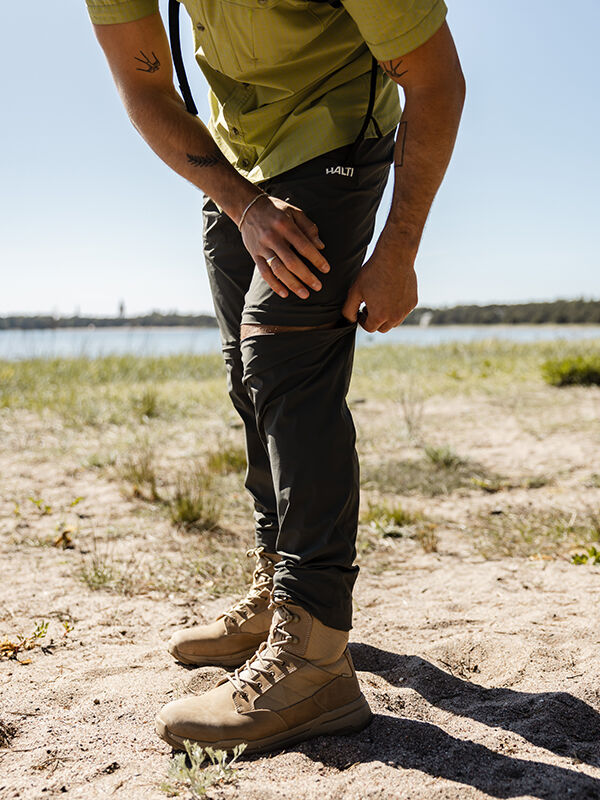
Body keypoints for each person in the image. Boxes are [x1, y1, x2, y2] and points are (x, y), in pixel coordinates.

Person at [85, 0, 465, 754]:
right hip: (237, 163)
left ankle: (316, 655)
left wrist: (399, 249)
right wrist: (243, 202)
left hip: (336, 136)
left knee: (285, 361)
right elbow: (146, 93)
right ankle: (276, 588)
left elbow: (437, 79)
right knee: (246, 375)